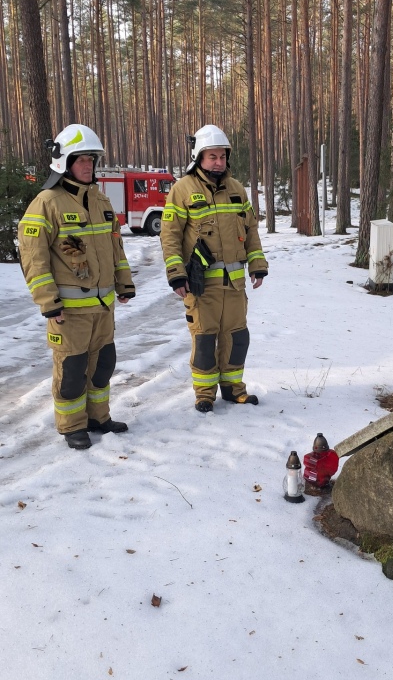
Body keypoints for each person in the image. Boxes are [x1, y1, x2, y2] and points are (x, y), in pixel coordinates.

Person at [18, 124, 135, 450]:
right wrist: (48, 301)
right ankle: (72, 425)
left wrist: (124, 283)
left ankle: (98, 417)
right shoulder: (47, 203)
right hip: (68, 313)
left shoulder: (100, 201)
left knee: (102, 365)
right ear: (64, 163)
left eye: (91, 159)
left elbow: (115, 248)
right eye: (80, 159)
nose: (87, 165)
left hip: (103, 308)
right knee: (71, 370)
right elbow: (33, 256)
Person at [160, 124, 268, 413]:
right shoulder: (182, 190)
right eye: (212, 157)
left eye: (222, 156)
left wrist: (257, 264)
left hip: (234, 285)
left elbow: (251, 230)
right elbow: (169, 235)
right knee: (205, 340)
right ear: (199, 158)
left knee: (236, 338)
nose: (218, 162)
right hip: (200, 285)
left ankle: (234, 389)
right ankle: (205, 393)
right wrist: (176, 273)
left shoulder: (237, 190)